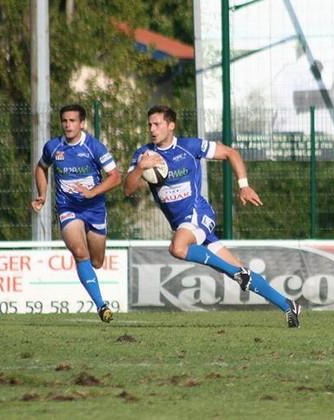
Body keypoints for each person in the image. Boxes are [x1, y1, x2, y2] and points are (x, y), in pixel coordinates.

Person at [124, 105, 302, 327]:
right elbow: (128, 189)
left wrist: (244, 186)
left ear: (171, 125)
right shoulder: (144, 155)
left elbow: (230, 153)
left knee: (177, 248)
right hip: (182, 225)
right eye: (149, 124)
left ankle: (237, 274)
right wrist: (141, 168)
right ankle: (288, 305)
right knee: (237, 268)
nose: (152, 129)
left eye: (157, 124)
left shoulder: (190, 146)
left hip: (199, 214)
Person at [31, 104, 121, 323]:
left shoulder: (94, 147)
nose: (68, 125)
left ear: (82, 123)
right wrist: (42, 195)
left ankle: (93, 279)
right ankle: (102, 306)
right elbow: (41, 167)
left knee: (97, 262)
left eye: (72, 121)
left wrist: (92, 192)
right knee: (80, 253)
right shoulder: (53, 147)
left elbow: (115, 177)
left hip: (94, 209)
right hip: (68, 208)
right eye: (64, 121)